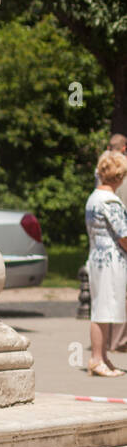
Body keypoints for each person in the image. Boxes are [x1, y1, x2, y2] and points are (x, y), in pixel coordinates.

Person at [84, 149, 127, 376]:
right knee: (103, 310)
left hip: (96, 258)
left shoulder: (93, 198)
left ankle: (102, 357)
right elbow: (124, 235)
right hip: (111, 262)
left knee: (102, 308)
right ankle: (97, 359)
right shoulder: (111, 201)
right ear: (119, 177)